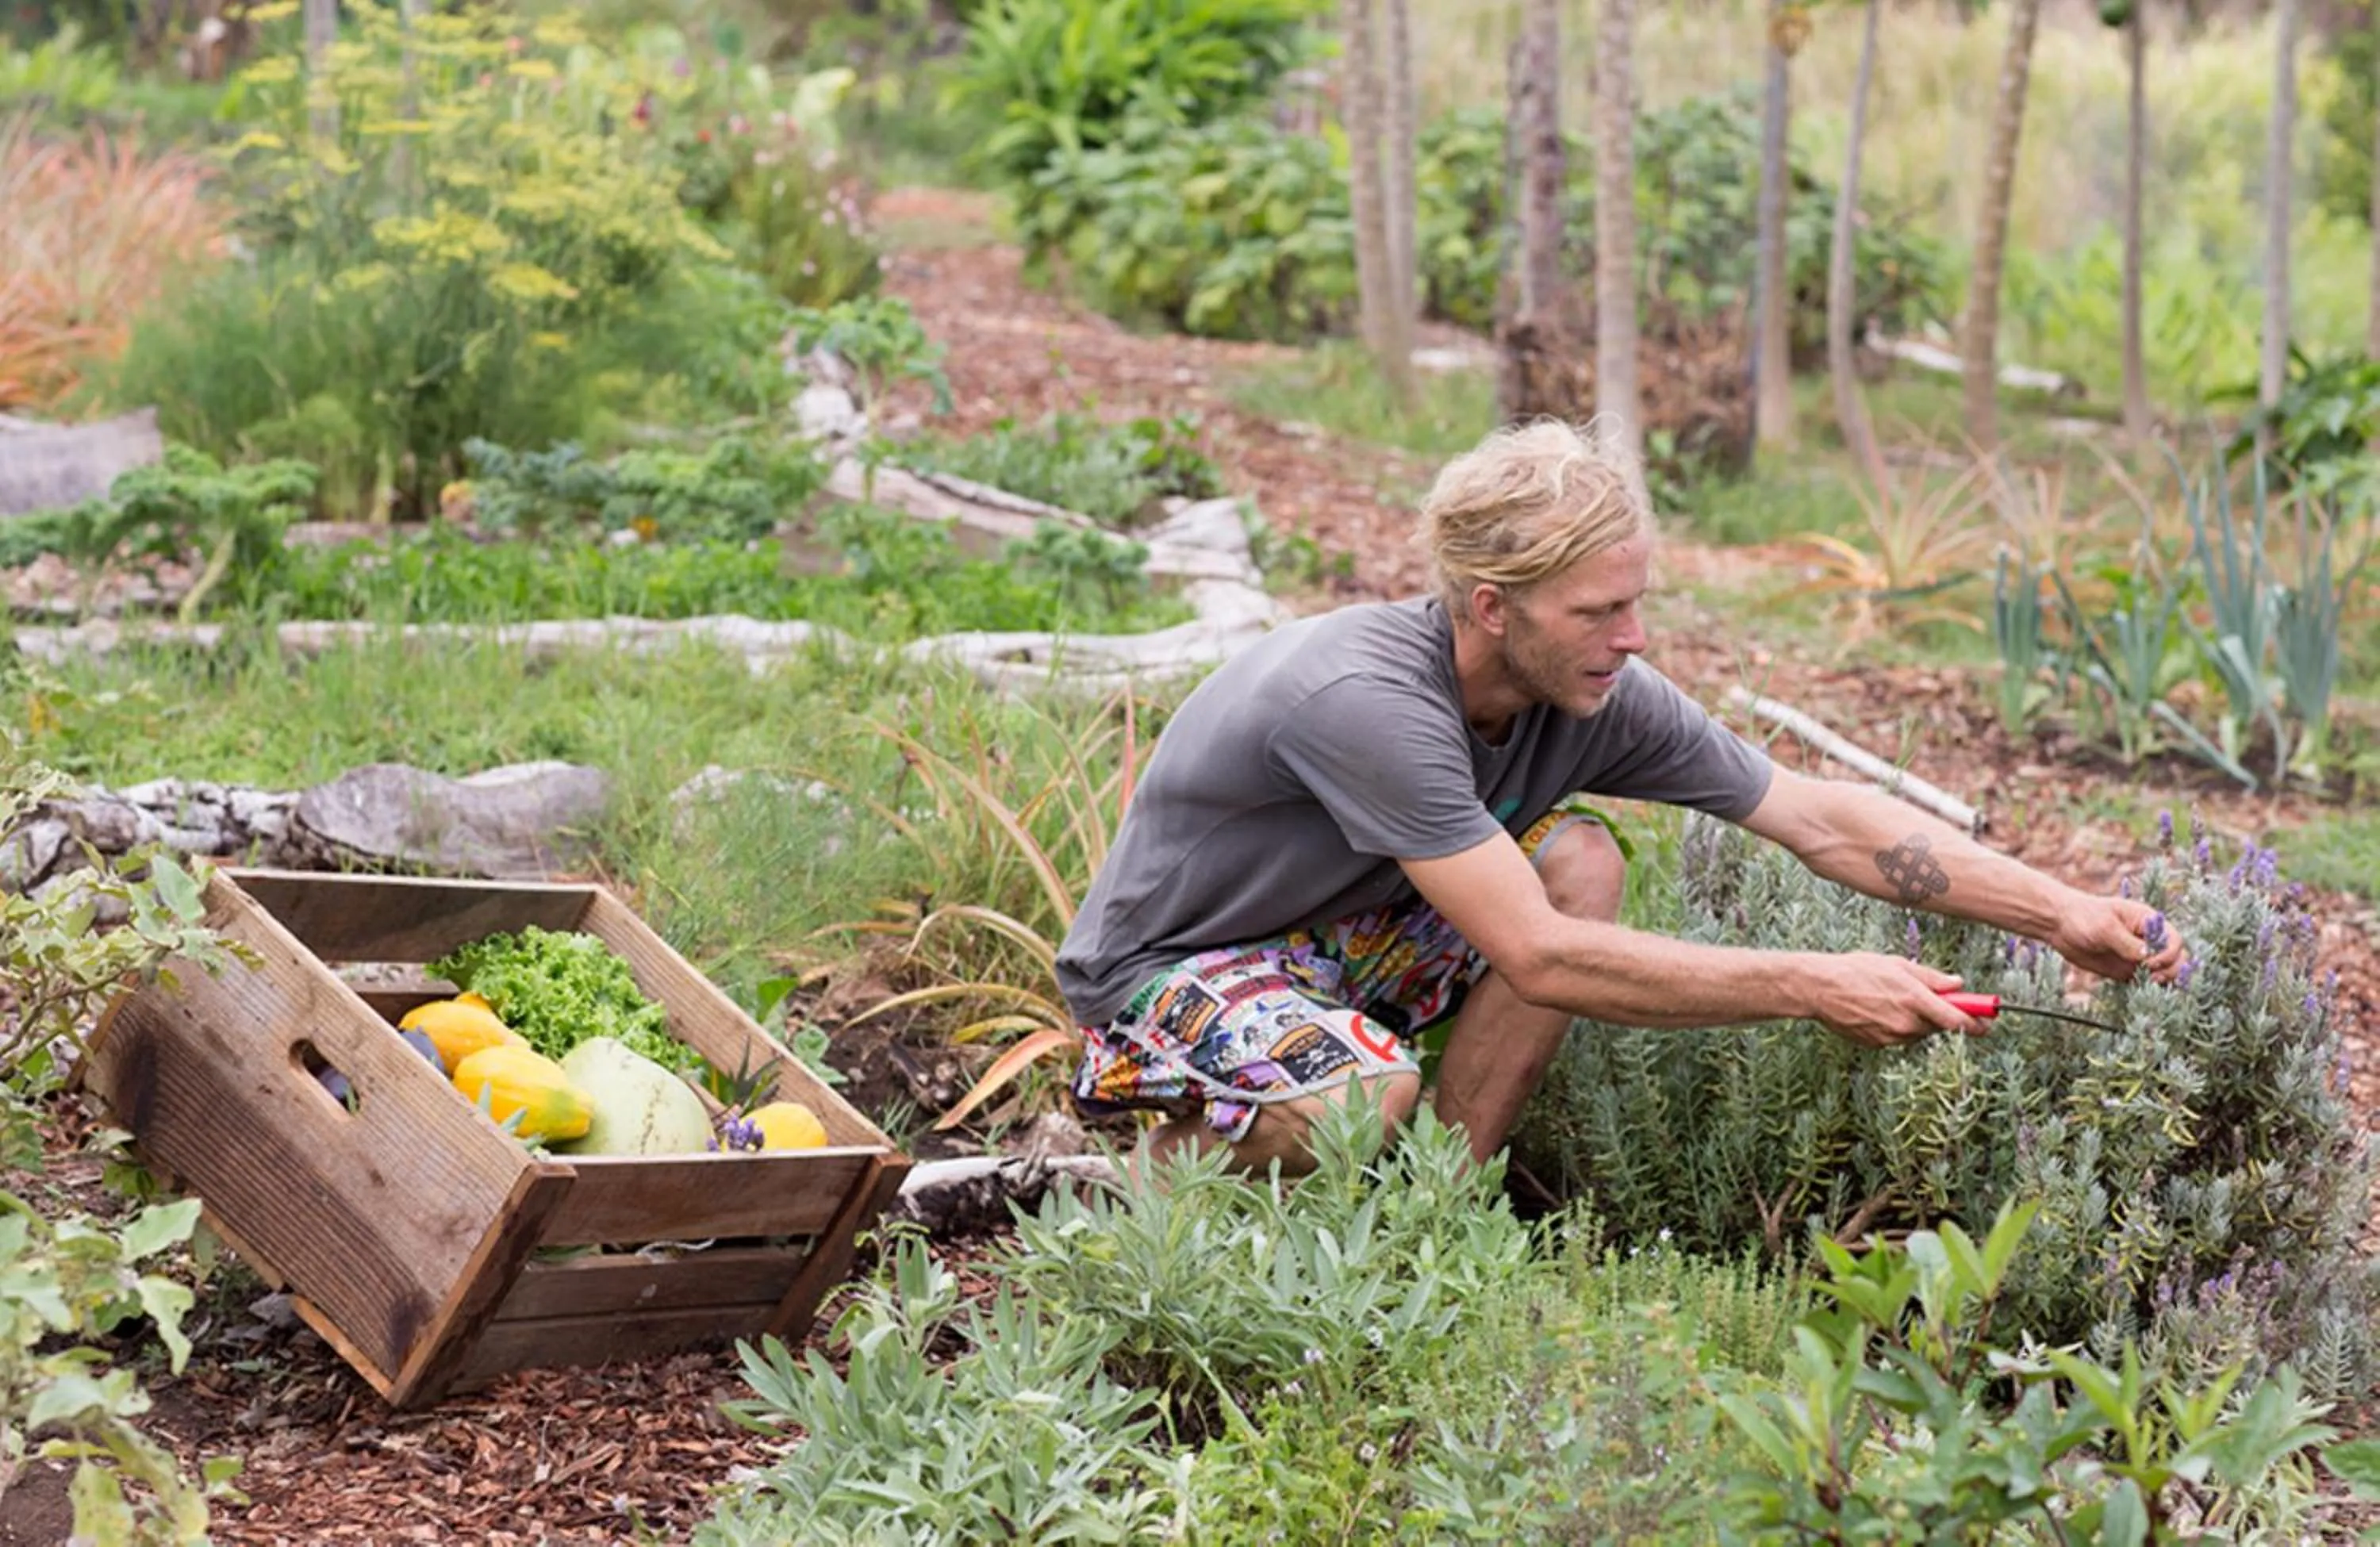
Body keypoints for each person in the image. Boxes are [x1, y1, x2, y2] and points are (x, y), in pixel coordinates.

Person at [1054, 420, 2186, 1176]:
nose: (1632, 638)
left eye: (1635, 603)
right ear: (1494, 607)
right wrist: (1814, 981)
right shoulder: (1367, 701)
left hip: (1331, 940)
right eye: (1599, 612)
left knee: (1581, 858)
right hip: (1168, 967)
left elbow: (1820, 817)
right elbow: (1540, 958)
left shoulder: (1593, 689)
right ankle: (1122, 1206)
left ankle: (1429, 1209)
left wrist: (2061, 912)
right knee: (1361, 1095)